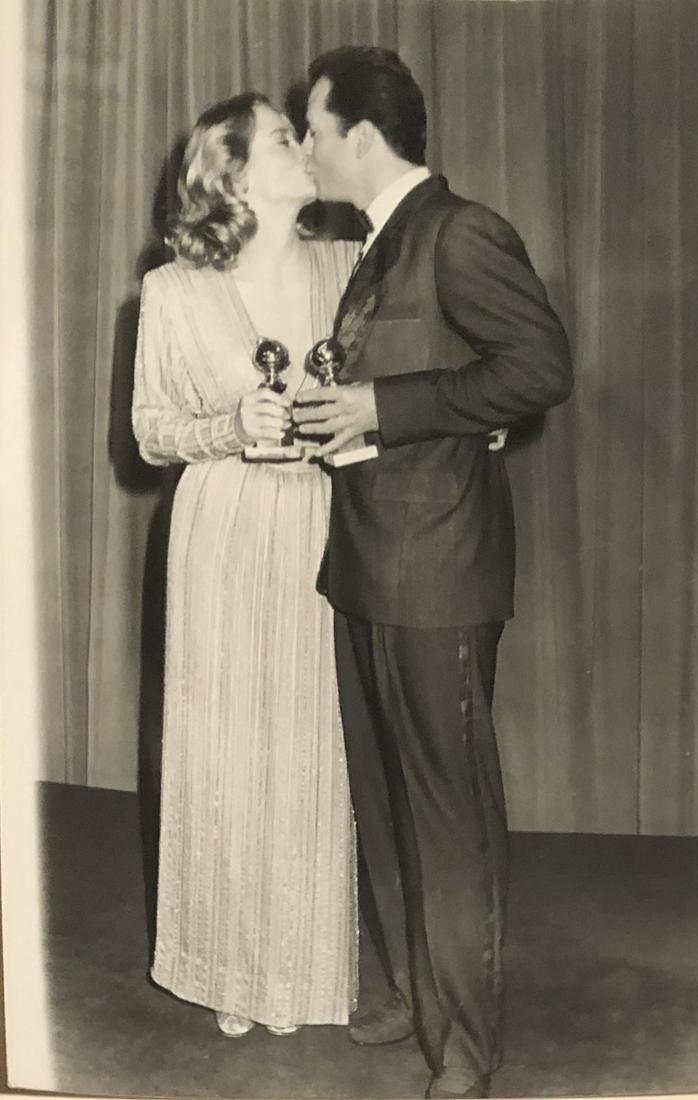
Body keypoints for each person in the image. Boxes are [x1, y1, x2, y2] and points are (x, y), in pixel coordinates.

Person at [293, 46, 573, 1100]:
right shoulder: (379, 244)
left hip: (440, 573)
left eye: (314, 129)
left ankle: (464, 1046)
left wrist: (384, 408)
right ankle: (417, 995)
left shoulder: (459, 233)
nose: (307, 147)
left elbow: (539, 368)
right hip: (365, 566)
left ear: (362, 137)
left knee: (447, 814)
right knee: (385, 801)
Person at [131, 92, 358, 1038]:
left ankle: (302, 971)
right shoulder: (172, 291)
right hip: (221, 531)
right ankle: (230, 963)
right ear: (232, 174)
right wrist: (229, 425)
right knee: (226, 751)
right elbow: (149, 432)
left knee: (308, 748)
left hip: (322, 527)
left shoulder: (352, 265)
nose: (305, 146)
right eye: (282, 137)